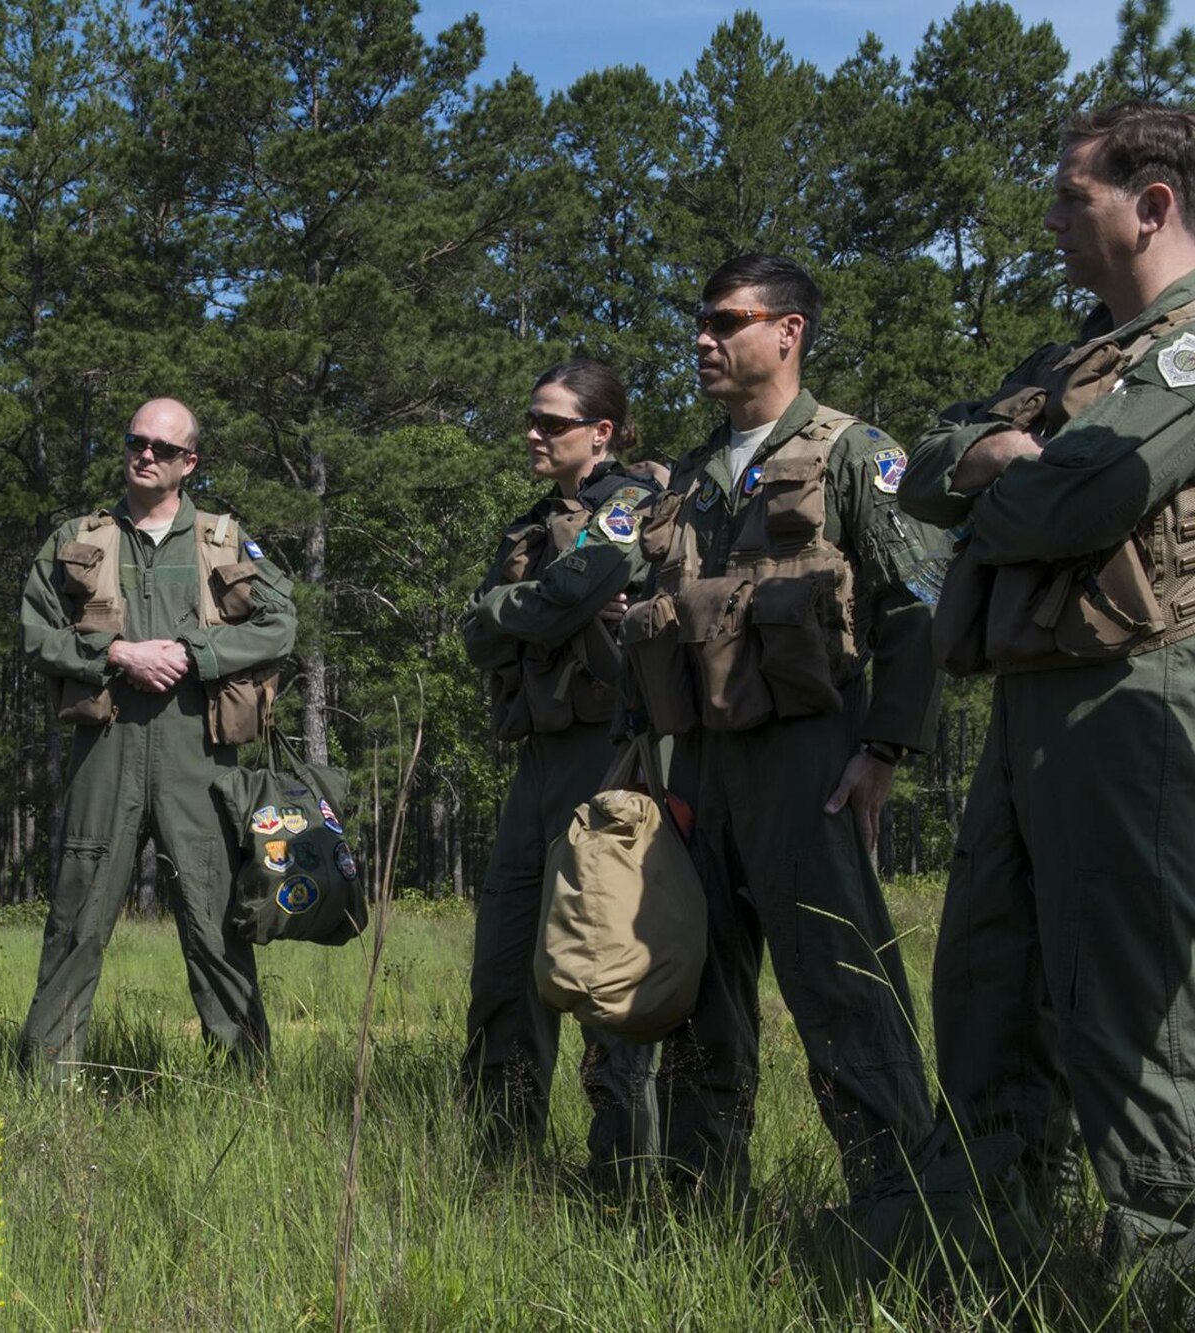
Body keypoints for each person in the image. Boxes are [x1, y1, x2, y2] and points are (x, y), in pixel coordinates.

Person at [900, 101, 1195, 1286]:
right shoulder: (1070, 357)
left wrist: (1003, 471)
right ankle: (985, 1256)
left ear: (1152, 205)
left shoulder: (1185, 350)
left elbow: (1081, 501)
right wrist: (985, 457)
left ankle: (1159, 1274)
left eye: (1072, 197)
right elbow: (919, 466)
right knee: (985, 981)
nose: (1049, 219)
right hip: (1030, 703)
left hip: (1136, 697)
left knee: (1129, 1009)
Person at [625, 254, 942, 1203]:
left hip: (811, 765)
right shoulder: (689, 477)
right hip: (697, 773)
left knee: (843, 988)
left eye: (727, 320)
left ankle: (899, 1209)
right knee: (697, 997)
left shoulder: (853, 452)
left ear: (789, 330)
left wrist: (883, 751)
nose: (704, 338)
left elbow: (918, 602)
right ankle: (698, 1205)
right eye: (702, 320)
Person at [18, 398, 296, 1080]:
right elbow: (35, 632)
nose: (146, 454)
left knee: (213, 921)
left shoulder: (224, 540)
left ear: (188, 462)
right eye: (135, 441)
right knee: (76, 918)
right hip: (104, 753)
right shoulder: (77, 537)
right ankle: (46, 1085)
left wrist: (191, 650)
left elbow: (279, 625)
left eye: (163, 448)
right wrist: (117, 654)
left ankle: (245, 1087)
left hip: (198, 756)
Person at [460, 359, 661, 1174]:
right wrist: (536, 606)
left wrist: (535, 607)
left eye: (554, 422)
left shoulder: (636, 505)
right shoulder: (530, 522)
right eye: (532, 419)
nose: (534, 434)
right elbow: (477, 633)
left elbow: (571, 596)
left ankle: (622, 1171)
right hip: (536, 763)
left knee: (602, 962)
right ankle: (499, 1161)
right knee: (506, 962)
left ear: (601, 431)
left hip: (609, 757)